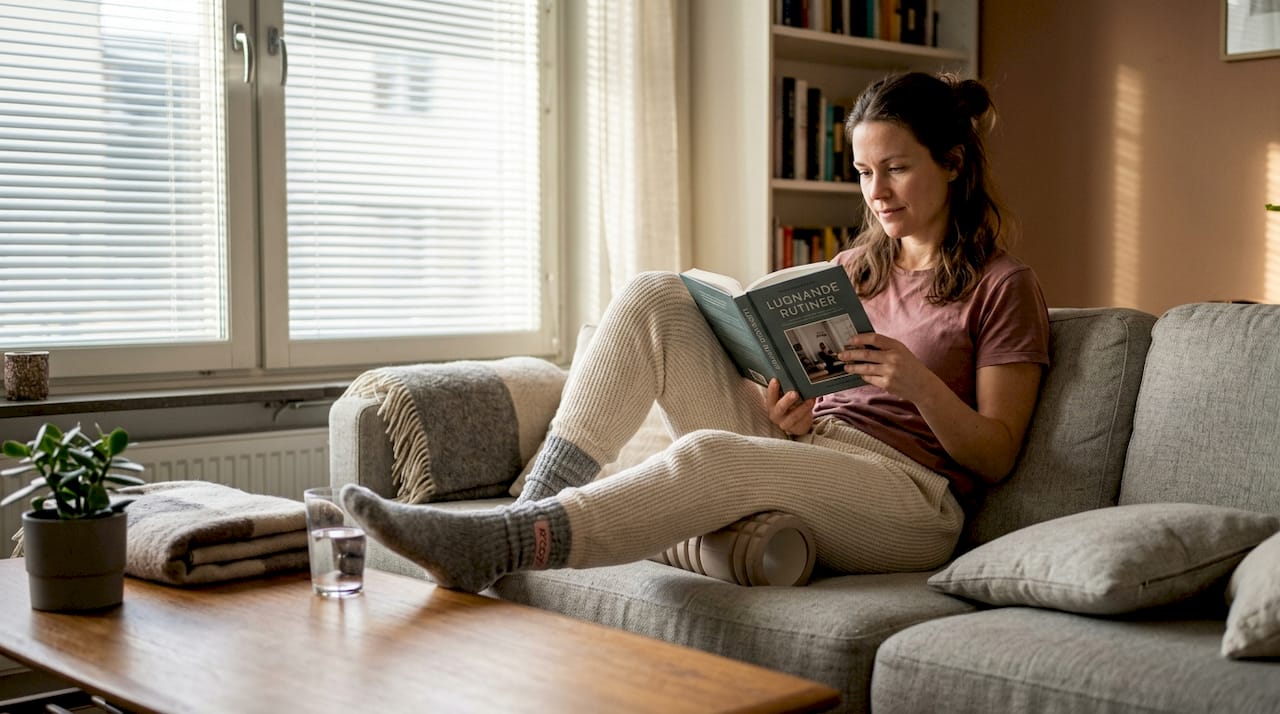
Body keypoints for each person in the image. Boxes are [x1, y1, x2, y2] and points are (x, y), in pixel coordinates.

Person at [340, 71, 1051, 594]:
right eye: (865, 172)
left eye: (897, 169)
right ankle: (538, 502)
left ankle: (504, 541)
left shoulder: (1002, 287)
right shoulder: (852, 270)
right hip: (815, 449)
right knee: (657, 294)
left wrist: (916, 381)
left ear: (953, 163)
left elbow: (994, 455)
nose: (877, 193)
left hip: (911, 495)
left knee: (712, 453)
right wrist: (789, 410)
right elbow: (811, 402)